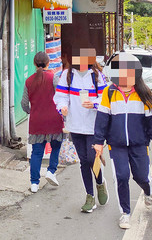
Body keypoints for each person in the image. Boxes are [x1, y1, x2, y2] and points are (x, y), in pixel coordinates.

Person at [92, 52, 152, 230]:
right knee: (121, 177)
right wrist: (99, 142)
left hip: (139, 144)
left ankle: (148, 190)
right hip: (116, 145)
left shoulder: (143, 93)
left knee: (141, 176)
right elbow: (102, 118)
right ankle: (125, 213)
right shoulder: (109, 92)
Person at [54, 47, 109, 213]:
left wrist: (94, 104)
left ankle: (100, 183)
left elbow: (106, 98)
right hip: (75, 125)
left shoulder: (98, 76)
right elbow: (60, 96)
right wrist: (62, 107)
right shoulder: (67, 75)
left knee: (92, 160)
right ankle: (89, 196)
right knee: (83, 161)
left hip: (93, 126)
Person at [21, 52, 64, 193]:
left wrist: (31, 111)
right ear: (48, 63)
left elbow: (24, 103)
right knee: (56, 147)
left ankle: (34, 183)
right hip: (54, 120)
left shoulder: (29, 81)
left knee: (37, 153)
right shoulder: (54, 78)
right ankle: (51, 171)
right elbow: (61, 97)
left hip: (37, 121)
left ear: (34, 64)